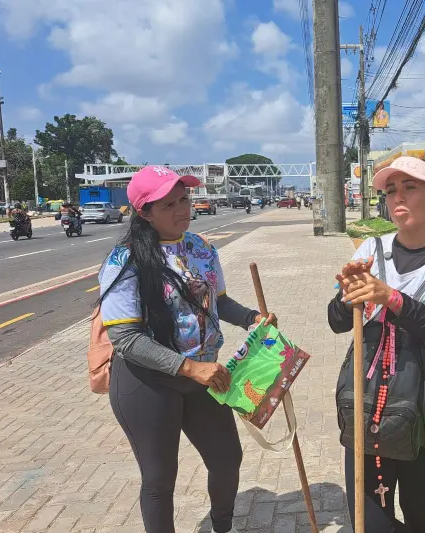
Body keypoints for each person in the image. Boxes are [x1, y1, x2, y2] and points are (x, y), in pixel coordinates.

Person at [98, 166, 277, 533]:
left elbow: (217, 302)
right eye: (169, 204)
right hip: (147, 380)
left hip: (203, 375)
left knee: (227, 459)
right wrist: (190, 368)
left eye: (184, 199)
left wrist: (251, 318)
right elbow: (126, 339)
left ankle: (222, 527)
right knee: (160, 478)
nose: (183, 209)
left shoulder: (200, 248)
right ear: (145, 213)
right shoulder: (124, 261)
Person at [327, 156, 425, 533]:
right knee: (370, 522)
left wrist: (391, 298)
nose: (398, 197)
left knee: (420, 515)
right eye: (391, 190)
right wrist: (347, 295)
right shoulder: (370, 251)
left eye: (410, 187)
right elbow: (335, 323)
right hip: (366, 402)